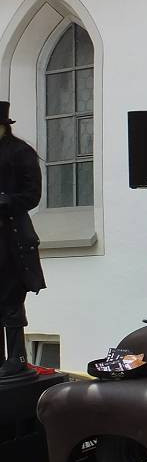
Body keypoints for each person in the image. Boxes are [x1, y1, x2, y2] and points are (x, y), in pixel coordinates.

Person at [0, 101, 46, 378]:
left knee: (10, 297)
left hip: (11, 238)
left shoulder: (21, 152)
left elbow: (32, 195)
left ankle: (16, 357)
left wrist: (6, 201)